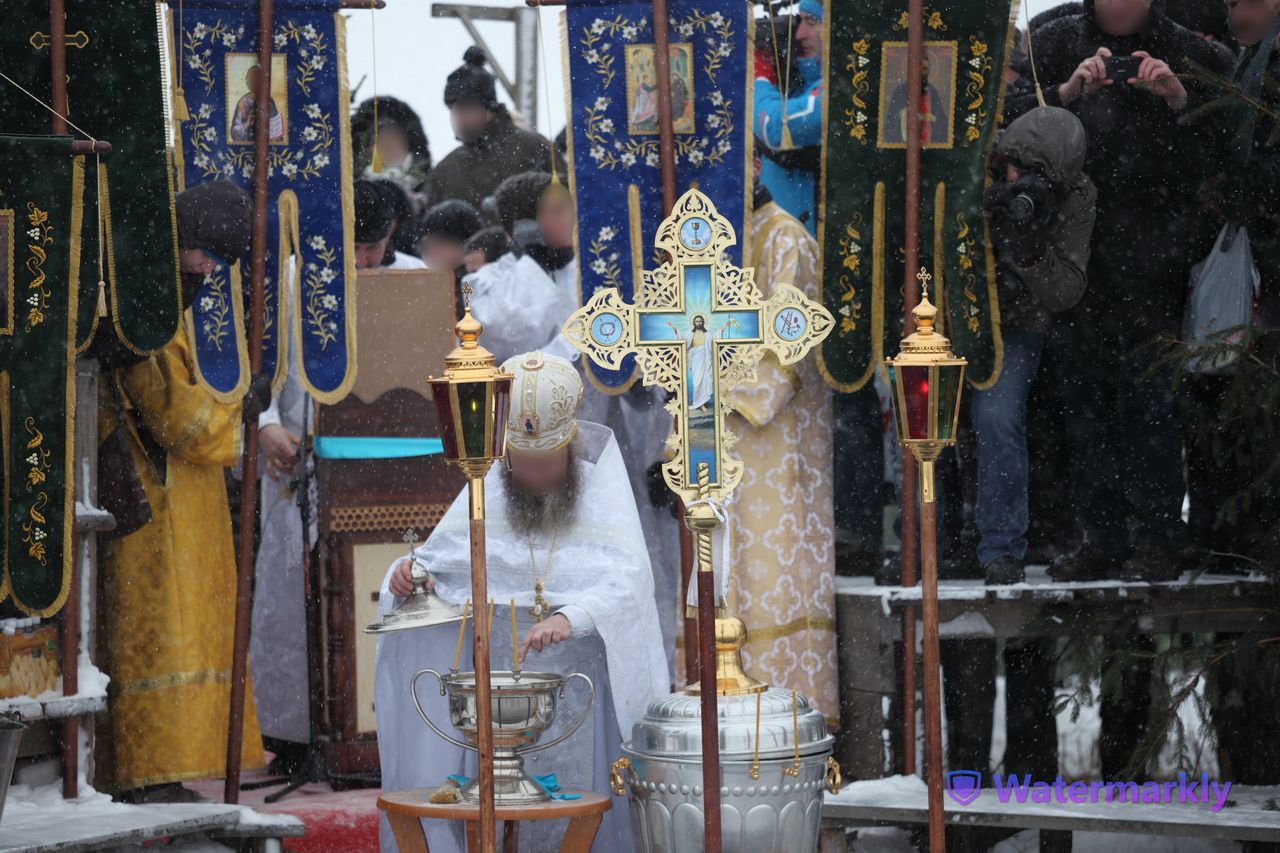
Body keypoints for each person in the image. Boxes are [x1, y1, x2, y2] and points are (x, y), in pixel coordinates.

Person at [375, 352, 666, 853]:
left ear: (570, 448)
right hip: (500, 690)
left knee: (580, 803)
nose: (533, 476)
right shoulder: (489, 487)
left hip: (582, 690)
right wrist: (405, 577)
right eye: (523, 462)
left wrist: (572, 616)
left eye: (546, 463)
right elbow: (440, 567)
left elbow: (631, 583)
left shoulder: (600, 494)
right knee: (503, 809)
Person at [1024, 0, 1234, 582]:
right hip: (1074, 257)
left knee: (1150, 405)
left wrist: (1178, 100)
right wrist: (1066, 94)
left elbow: (1225, 151)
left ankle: (1161, 536)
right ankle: (1101, 537)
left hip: (1156, 255)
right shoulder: (1055, 44)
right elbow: (1011, 134)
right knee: (1081, 404)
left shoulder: (1191, 52)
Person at [96, 181, 265, 802]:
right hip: (150, 492)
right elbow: (175, 416)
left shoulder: (164, 292)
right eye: (209, 256)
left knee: (188, 625)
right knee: (160, 630)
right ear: (183, 241)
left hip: (181, 499)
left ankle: (168, 767)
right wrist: (237, 419)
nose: (211, 272)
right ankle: (147, 769)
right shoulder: (147, 303)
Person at [723, 176, 838, 723]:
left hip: (773, 444)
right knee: (723, 573)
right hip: (714, 443)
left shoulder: (784, 238)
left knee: (770, 574)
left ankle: (783, 721)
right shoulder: (714, 240)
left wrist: (717, 400)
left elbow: (785, 350)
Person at [975, 107, 1097, 585]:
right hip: (946, 311)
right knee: (922, 425)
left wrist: (1028, 250)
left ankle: (1001, 550)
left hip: (1017, 320)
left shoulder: (1077, 194)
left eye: (1038, 180)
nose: (1022, 185)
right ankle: (933, 538)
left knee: (998, 417)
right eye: (1016, 173)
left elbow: (1067, 288)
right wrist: (986, 209)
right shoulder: (975, 162)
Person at [426, 47, 564, 211]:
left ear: (488, 111)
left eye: (465, 108)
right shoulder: (445, 170)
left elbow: (567, 205)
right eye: (453, 110)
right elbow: (432, 232)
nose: (458, 118)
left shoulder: (534, 148)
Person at [753, 0, 824, 232]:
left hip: (808, 252)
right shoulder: (796, 86)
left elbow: (777, 128)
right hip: (780, 247)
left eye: (812, 22)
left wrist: (759, 78)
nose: (800, 34)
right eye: (799, 22)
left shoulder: (839, 89)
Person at [351, 95, 432, 208]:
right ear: (370, 147)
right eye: (383, 142)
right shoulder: (352, 190)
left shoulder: (430, 185)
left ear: (409, 143)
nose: (391, 148)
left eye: (397, 139)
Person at [353, 178, 427, 271]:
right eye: (353, 248)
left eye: (372, 248)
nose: (361, 262)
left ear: (389, 234)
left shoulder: (415, 271)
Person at [230, 64, 284, 144]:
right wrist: (247, 124)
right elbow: (234, 132)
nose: (254, 81)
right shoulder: (242, 102)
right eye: (251, 78)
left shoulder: (269, 100)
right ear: (247, 81)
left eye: (257, 78)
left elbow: (275, 127)